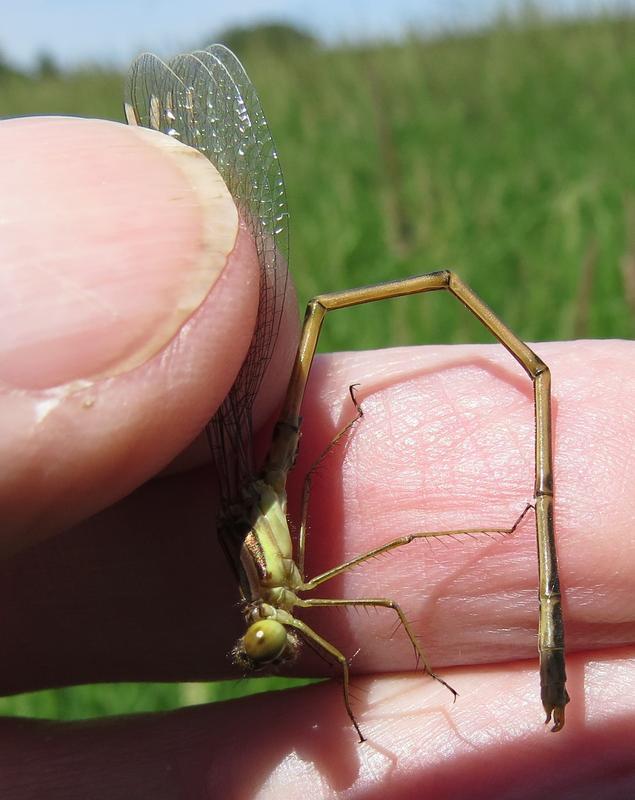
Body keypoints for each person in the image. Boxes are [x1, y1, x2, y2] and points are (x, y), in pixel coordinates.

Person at [0, 116, 633, 798]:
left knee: (407, 543)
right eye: (271, 647)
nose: (278, 642)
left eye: (267, 641)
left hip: (269, 452)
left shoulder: (272, 591)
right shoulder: (277, 598)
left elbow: (389, 563)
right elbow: (322, 544)